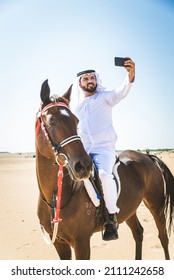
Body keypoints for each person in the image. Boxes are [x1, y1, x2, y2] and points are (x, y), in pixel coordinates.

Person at [70, 58, 135, 241]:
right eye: (86, 79)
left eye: (92, 78)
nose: (90, 81)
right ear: (80, 83)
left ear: (96, 80)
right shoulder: (77, 107)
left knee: (105, 175)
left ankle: (111, 218)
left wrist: (129, 75)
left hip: (104, 149)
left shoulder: (105, 97)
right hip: (83, 151)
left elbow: (122, 92)